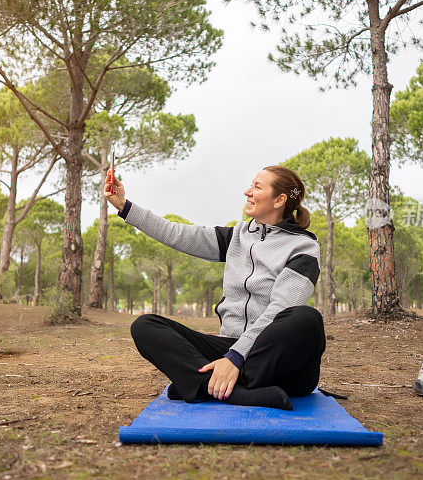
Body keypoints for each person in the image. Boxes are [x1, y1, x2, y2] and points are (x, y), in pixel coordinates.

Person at [104, 165, 325, 410]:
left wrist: (235, 358)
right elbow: (176, 234)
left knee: (306, 318)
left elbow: (279, 309)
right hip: (229, 347)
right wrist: (124, 206)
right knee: (146, 326)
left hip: (278, 361)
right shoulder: (236, 237)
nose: (247, 192)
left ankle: (204, 384)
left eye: (257, 187)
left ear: (279, 200)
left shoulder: (303, 248)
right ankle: (233, 392)